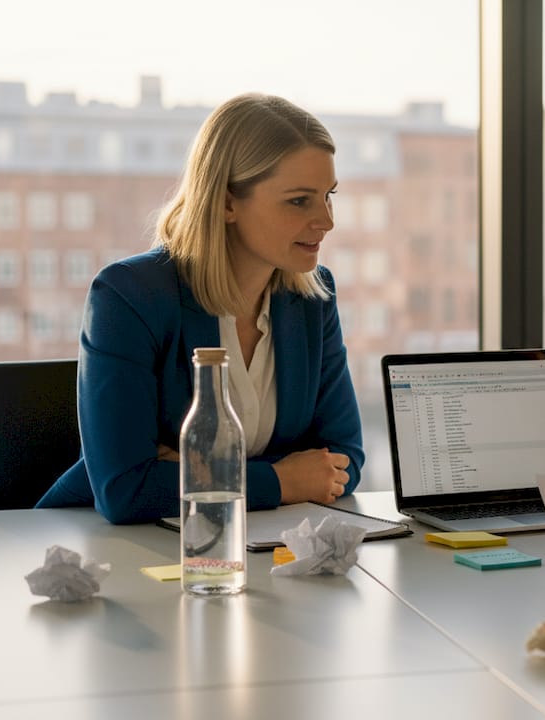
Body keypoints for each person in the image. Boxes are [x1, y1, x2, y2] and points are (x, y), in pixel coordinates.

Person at [37, 94, 363, 524]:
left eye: (328, 196)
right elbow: (126, 489)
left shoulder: (313, 298)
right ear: (227, 202)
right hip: (96, 552)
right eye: (300, 200)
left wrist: (191, 473)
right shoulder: (129, 296)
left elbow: (342, 459)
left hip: (247, 544)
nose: (327, 220)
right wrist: (281, 480)